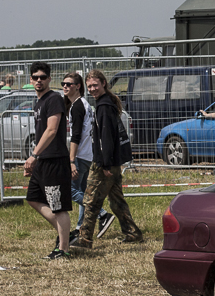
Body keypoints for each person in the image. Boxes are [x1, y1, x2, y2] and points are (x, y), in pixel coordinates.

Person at [71, 70, 143, 249]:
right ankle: (132, 232)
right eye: (89, 87)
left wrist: (104, 164)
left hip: (105, 163)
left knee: (91, 200)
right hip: (113, 162)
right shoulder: (107, 103)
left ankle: (85, 239)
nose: (93, 89)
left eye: (95, 85)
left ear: (104, 83)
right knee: (117, 200)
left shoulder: (103, 107)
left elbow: (106, 139)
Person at [23, 62, 72, 260]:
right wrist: (36, 159)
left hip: (54, 160)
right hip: (42, 160)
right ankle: (66, 236)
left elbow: (52, 130)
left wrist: (33, 155)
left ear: (50, 79)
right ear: (30, 80)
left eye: (43, 77)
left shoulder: (54, 99)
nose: (39, 80)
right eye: (35, 77)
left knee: (57, 205)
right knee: (34, 198)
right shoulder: (39, 101)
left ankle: (64, 250)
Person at [62, 72, 115, 241]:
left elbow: (76, 135)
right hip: (88, 154)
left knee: (70, 191)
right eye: (63, 83)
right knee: (85, 191)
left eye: (69, 84)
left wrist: (71, 160)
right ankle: (79, 227)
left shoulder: (77, 106)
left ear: (78, 87)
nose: (65, 86)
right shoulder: (84, 104)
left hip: (81, 155)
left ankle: (102, 214)